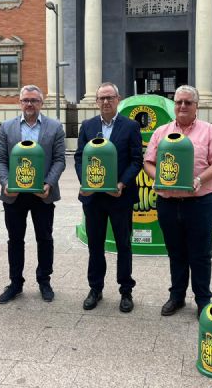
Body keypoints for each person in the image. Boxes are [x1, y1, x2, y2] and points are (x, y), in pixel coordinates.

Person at [143, 85, 212, 319]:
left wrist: (200, 179)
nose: (182, 106)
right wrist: (158, 178)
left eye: (187, 102)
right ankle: (177, 296)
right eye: (179, 102)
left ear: (196, 106)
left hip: (200, 203)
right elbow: (148, 162)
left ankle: (203, 300)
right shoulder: (161, 132)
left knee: (200, 254)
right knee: (176, 252)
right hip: (168, 203)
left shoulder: (210, 131)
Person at [74, 82, 143, 313]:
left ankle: (126, 291)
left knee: (124, 244)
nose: (106, 102)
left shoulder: (131, 126)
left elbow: (136, 160)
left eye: (110, 97)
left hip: (119, 196)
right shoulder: (87, 125)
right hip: (93, 198)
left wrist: (122, 183)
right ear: (96, 101)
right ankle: (95, 289)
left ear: (118, 99)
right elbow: (79, 158)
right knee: (95, 245)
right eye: (102, 98)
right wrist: (85, 183)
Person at [0, 85, 65, 304]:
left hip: (42, 194)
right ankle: (15, 283)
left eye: (34, 100)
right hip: (14, 195)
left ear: (41, 103)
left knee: (44, 238)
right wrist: (6, 183)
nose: (29, 104)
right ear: (20, 102)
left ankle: (44, 280)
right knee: (15, 240)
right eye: (25, 100)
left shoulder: (54, 127)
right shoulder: (7, 127)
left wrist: (49, 184)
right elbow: (0, 160)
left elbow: (59, 159)